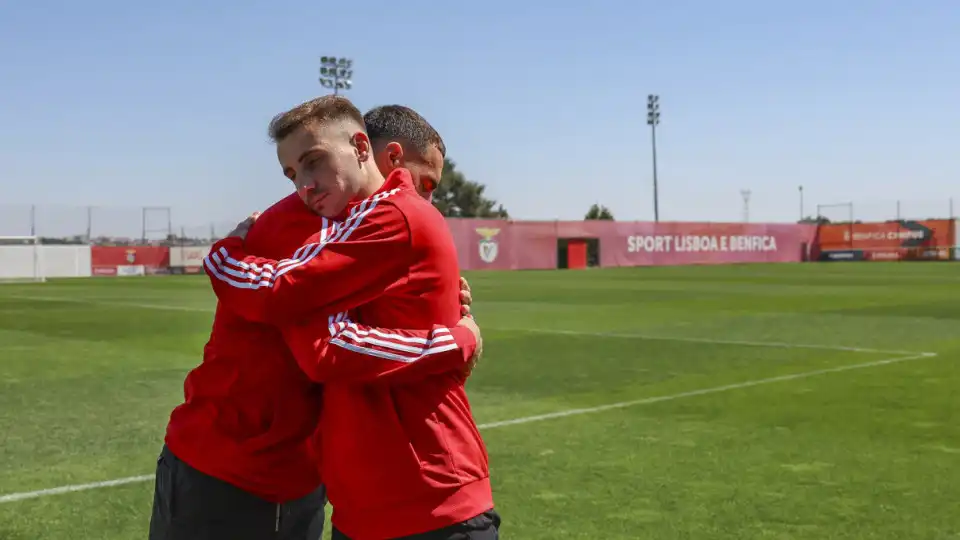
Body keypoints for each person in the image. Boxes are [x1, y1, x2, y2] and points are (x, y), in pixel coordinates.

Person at [151, 102, 481, 539]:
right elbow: (318, 339)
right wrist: (455, 341)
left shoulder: (367, 221)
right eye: (424, 182)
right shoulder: (317, 220)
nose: (423, 199)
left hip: (302, 479)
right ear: (386, 157)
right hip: (230, 470)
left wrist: (438, 303)